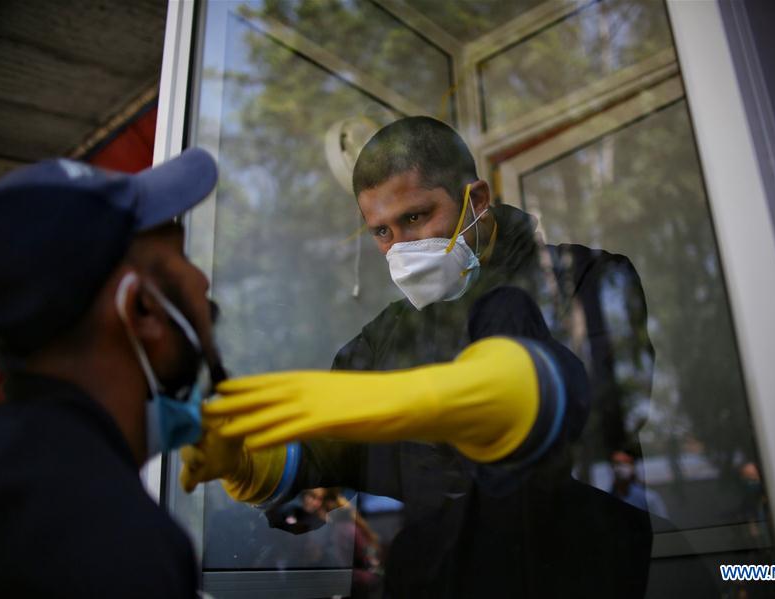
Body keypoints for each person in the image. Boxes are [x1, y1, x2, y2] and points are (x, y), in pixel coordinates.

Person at [182, 117, 654, 597]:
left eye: (414, 217)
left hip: (588, 574)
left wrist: (473, 400)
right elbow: (331, 452)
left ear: (478, 201)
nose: (401, 249)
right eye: (381, 232)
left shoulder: (584, 281)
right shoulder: (387, 338)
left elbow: (609, 414)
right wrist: (265, 461)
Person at [0, 149, 223, 597]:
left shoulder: (4, 484)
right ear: (141, 308)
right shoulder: (112, 541)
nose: (202, 281)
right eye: (181, 254)